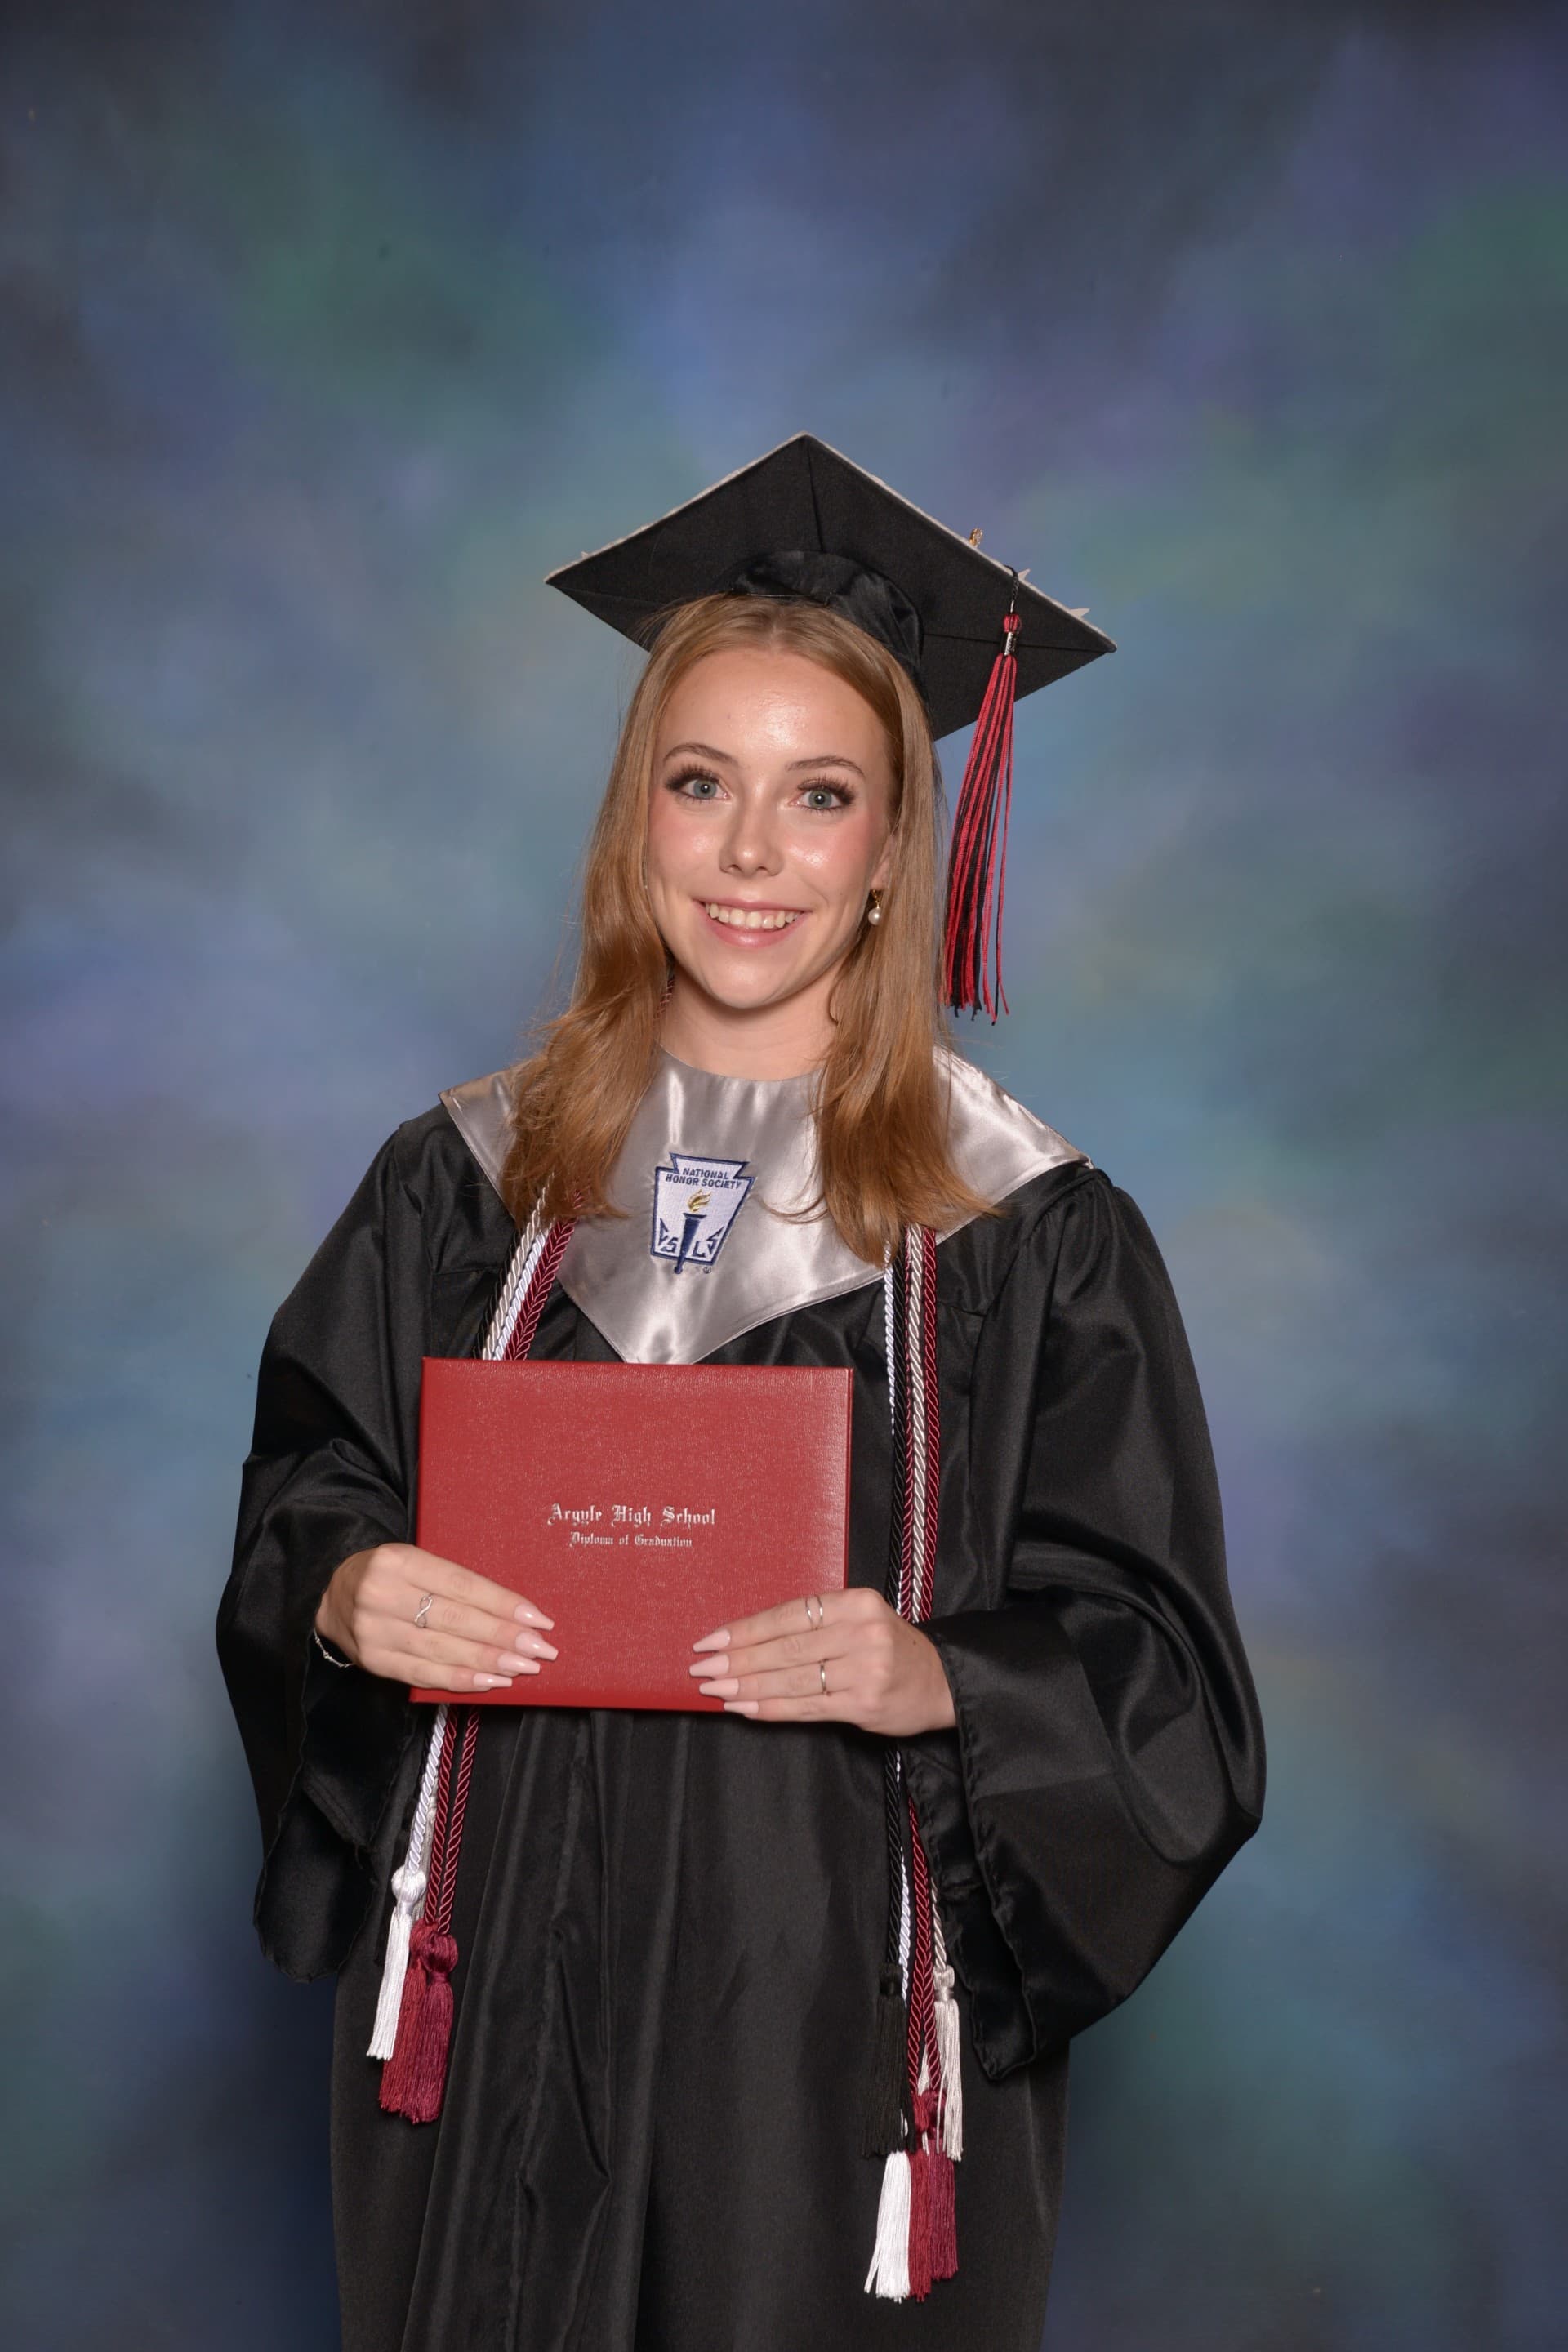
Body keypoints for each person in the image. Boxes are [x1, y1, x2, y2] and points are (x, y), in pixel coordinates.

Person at [219, 434, 1264, 2352]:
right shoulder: (462, 1186)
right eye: (701, 784)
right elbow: (312, 1493)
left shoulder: (1027, 1234)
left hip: (817, 2045)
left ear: (891, 852)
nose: (754, 854)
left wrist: (944, 1676)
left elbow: (1172, 1696)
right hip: (499, 2016)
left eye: (821, 796)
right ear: (640, 820)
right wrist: (350, 1594)